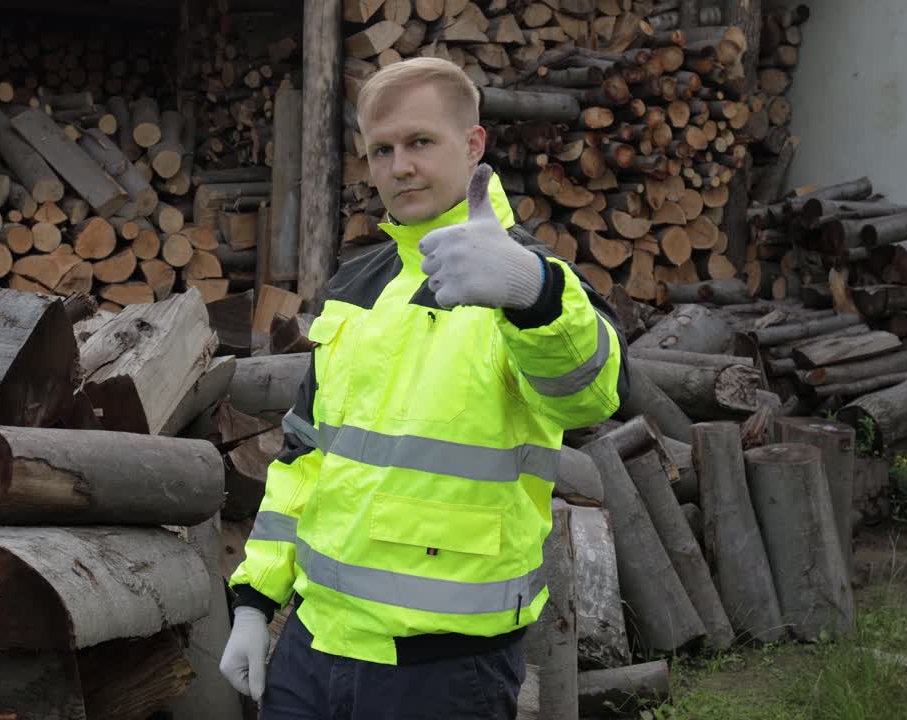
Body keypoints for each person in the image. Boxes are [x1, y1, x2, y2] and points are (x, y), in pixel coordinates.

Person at [219, 56, 629, 720]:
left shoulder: (529, 282)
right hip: (313, 647)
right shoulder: (357, 286)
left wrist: (532, 293)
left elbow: (589, 394)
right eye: (381, 150)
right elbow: (305, 457)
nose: (399, 166)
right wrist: (255, 601)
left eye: (419, 142)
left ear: (473, 145)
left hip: (443, 672)